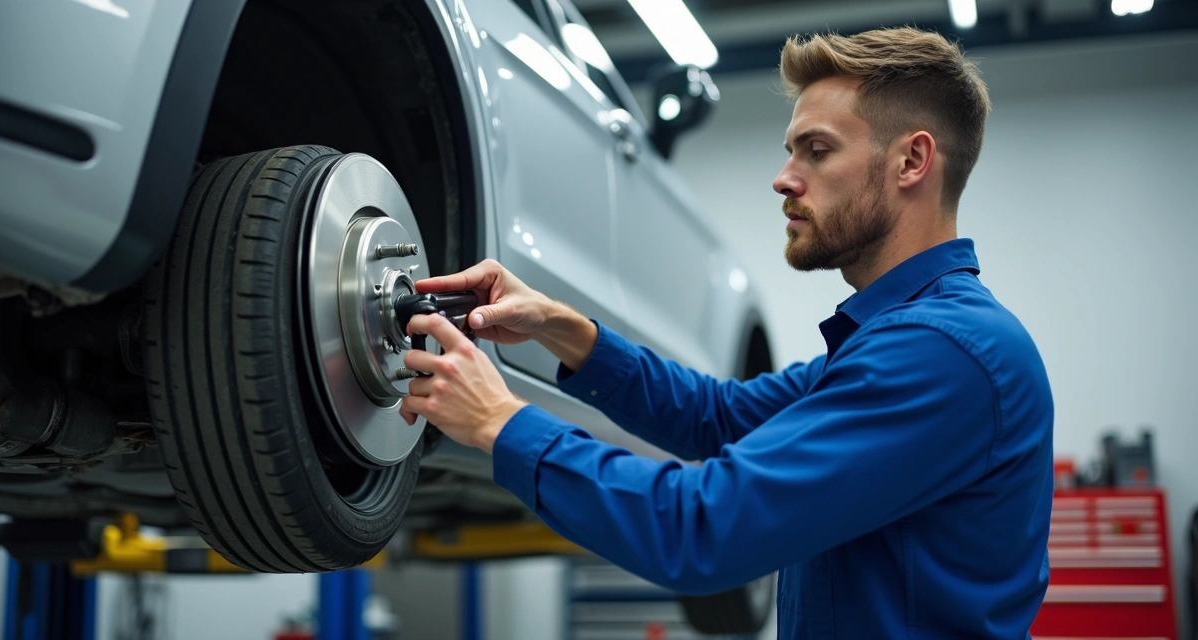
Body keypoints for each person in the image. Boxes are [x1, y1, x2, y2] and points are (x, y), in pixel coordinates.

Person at [399, 26, 1054, 639]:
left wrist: (500, 421)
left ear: (912, 160)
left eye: (817, 151)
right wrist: (561, 327)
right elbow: (718, 416)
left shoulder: (941, 353)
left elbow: (701, 532)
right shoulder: (898, 338)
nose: (784, 178)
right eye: (791, 152)